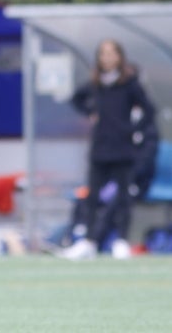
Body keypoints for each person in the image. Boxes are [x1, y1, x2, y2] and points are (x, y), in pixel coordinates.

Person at [61, 39, 156, 260]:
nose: (108, 58)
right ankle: (89, 241)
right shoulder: (95, 84)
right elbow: (76, 99)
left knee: (123, 197)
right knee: (93, 196)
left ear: (120, 57)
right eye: (104, 54)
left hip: (123, 150)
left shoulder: (130, 83)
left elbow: (149, 110)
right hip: (100, 148)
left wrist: (132, 130)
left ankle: (121, 241)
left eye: (112, 54)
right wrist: (90, 112)